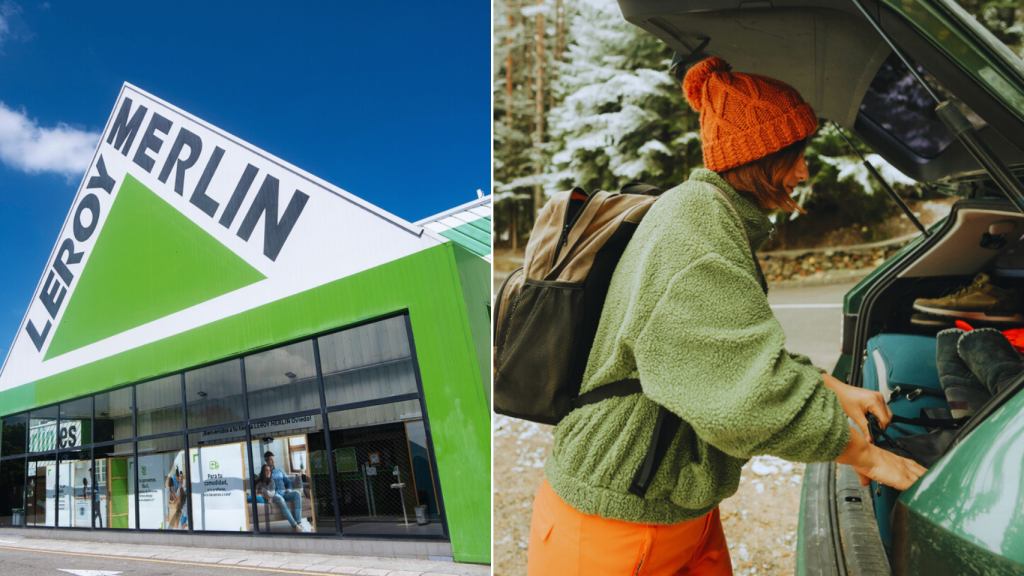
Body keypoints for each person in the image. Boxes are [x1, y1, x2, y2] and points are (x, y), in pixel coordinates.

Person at [526, 57, 927, 576]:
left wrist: (830, 386)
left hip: (673, 507)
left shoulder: (710, 216)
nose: (804, 171)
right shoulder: (695, 229)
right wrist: (871, 459)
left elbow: (736, 345)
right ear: (760, 154)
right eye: (796, 154)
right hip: (611, 527)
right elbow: (744, 399)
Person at [264, 451, 307, 532]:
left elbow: (288, 482)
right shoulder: (266, 473)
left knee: (297, 494)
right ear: (266, 461)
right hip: (275, 495)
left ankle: (299, 522)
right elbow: (264, 485)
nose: (273, 461)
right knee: (280, 499)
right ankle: (294, 525)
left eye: (273, 459)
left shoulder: (280, 470)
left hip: (284, 493)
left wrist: (289, 489)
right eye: (270, 460)